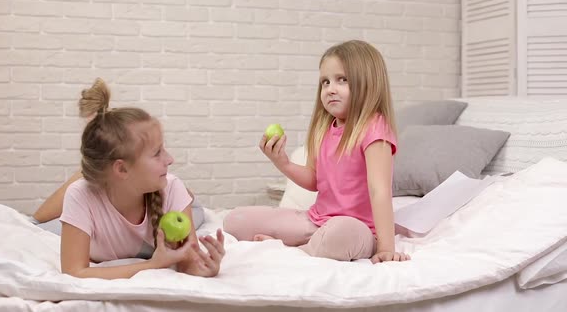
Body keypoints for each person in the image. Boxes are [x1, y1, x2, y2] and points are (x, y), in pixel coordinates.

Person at [224, 40, 410, 263]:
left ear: (367, 83)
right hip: (317, 221)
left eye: (342, 80)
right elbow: (315, 180)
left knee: (339, 234)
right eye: (325, 82)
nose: (330, 89)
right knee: (236, 220)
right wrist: (282, 162)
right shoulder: (324, 129)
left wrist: (386, 247)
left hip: (358, 229)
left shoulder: (375, 127)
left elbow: (379, 189)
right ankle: (307, 245)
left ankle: (290, 251)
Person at [58, 78, 225, 279]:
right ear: (122, 169)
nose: (170, 159)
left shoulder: (171, 188)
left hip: (187, 205)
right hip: (95, 198)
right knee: (42, 224)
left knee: (199, 213)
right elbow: (73, 271)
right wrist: (154, 264)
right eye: (157, 153)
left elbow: (188, 263)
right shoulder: (80, 195)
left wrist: (206, 268)